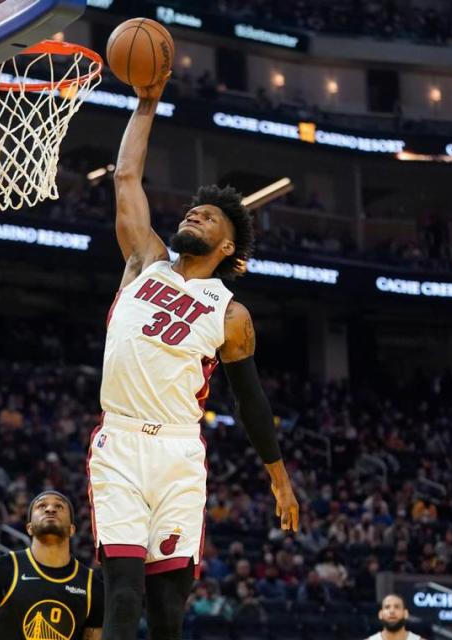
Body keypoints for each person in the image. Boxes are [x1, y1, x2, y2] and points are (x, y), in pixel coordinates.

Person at [88, 71, 299, 640]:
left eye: (208, 217)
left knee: (167, 612)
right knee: (123, 594)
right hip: (121, 444)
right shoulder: (144, 262)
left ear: (227, 246)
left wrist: (277, 477)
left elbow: (250, 398)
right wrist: (147, 103)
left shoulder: (231, 315)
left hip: (181, 452)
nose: (193, 215)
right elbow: (127, 175)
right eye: (191, 212)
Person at [0, 491, 102, 640]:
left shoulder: (92, 585)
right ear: (29, 528)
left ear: (72, 529)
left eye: (59, 506)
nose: (50, 509)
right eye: (41, 506)